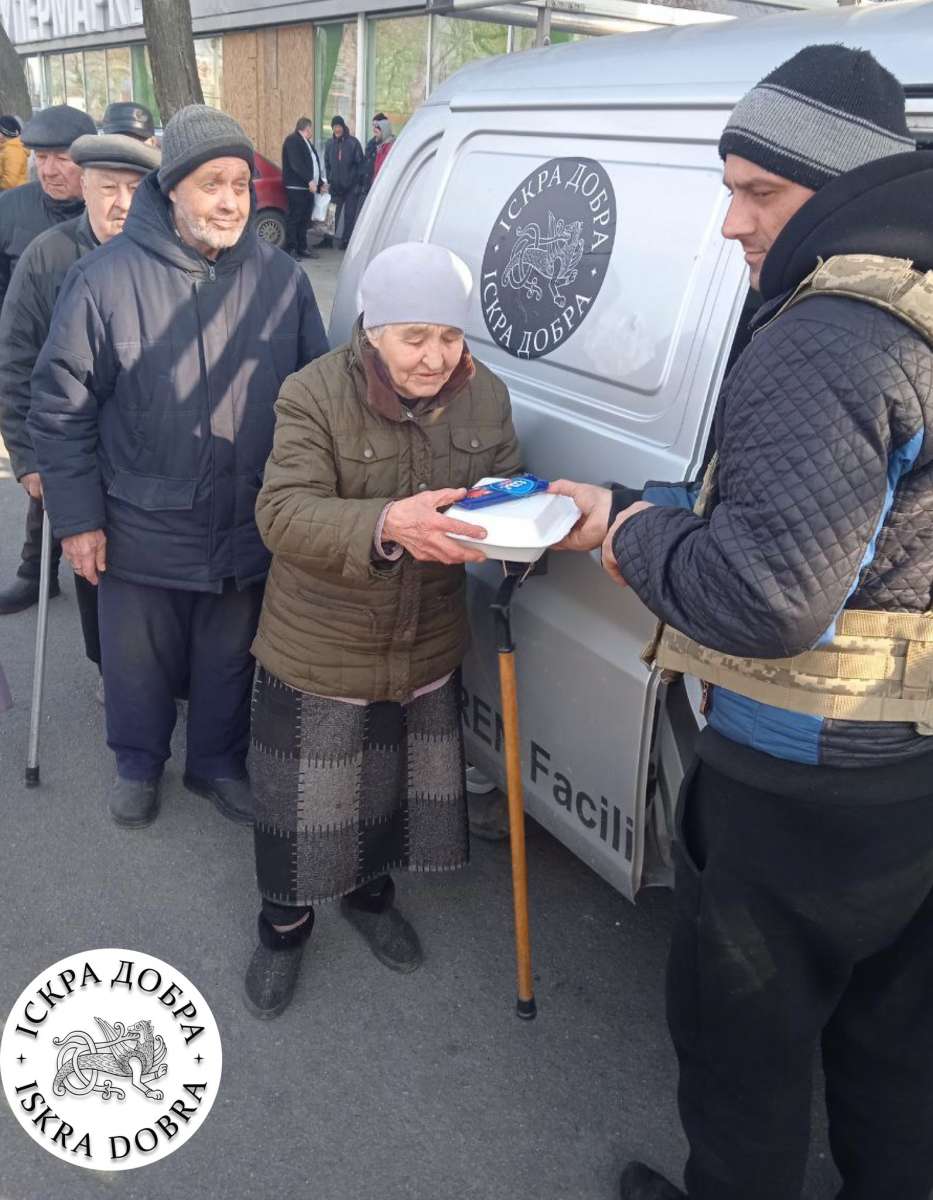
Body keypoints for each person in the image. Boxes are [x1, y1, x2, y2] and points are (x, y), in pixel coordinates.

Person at [551, 46, 933, 1200]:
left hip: (800, 781)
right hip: (907, 769)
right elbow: (836, 521)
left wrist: (617, 538)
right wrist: (645, 508)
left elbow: (765, 597)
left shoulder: (830, 333)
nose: (730, 223)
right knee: (895, 1048)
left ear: (840, 186)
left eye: (757, 192)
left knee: (745, 1055)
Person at [242, 241, 522, 1018]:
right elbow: (282, 512)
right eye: (414, 338)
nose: (435, 358)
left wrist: (521, 518)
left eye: (450, 336)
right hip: (321, 645)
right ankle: (283, 927)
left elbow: (497, 480)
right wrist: (386, 522)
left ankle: (368, 898)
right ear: (372, 331)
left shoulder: (484, 395)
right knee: (301, 804)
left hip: (424, 638)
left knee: (385, 790)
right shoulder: (311, 394)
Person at [28, 106, 329, 831]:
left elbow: (318, 395)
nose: (229, 200)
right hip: (139, 521)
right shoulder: (104, 279)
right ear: (172, 192)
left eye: (238, 184)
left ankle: (217, 763)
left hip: (245, 519)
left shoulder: (283, 281)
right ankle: (137, 762)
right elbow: (60, 408)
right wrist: (78, 523)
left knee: (229, 656)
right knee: (137, 664)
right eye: (210, 184)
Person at [0, 134, 160, 703]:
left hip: (145, 451)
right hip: (76, 445)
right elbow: (16, 361)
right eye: (108, 188)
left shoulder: (165, 252)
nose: (121, 202)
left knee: (147, 567)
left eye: (135, 189)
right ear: (85, 190)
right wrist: (28, 459)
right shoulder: (48, 256)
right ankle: (107, 668)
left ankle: (159, 664)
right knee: (94, 567)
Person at [0, 103, 96, 616]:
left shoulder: (115, 211)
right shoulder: (10, 211)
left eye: (63, 158)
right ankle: (34, 573)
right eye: (40, 157)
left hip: (95, 376)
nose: (50, 170)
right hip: (37, 376)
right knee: (42, 485)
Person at [281, 116, 326, 261]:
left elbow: (313, 165)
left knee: (305, 219)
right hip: (296, 187)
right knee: (295, 218)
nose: (311, 131)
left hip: (308, 188)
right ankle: (291, 248)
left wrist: (319, 185)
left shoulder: (306, 142)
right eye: (311, 128)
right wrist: (309, 180)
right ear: (307, 128)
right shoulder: (293, 140)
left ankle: (302, 247)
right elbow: (296, 164)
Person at [323, 115, 364, 250]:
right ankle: (327, 240)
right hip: (335, 186)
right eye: (334, 126)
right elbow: (327, 163)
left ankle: (346, 241)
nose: (336, 129)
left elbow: (360, 165)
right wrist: (330, 179)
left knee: (349, 215)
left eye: (339, 126)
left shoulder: (353, 143)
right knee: (331, 213)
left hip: (351, 187)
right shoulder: (330, 144)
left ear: (343, 127)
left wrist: (357, 183)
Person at [362, 111, 387, 194]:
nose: (374, 129)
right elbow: (365, 166)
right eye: (373, 126)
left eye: (377, 126)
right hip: (369, 189)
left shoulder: (390, 145)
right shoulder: (370, 145)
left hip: (382, 188)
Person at [0, 115, 27, 190]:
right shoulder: (5, 148)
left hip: (14, 194)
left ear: (3, 133)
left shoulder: (14, 150)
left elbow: (10, 182)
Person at [371, 116, 395, 183]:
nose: (375, 136)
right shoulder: (380, 147)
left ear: (384, 131)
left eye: (376, 133)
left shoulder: (391, 148)